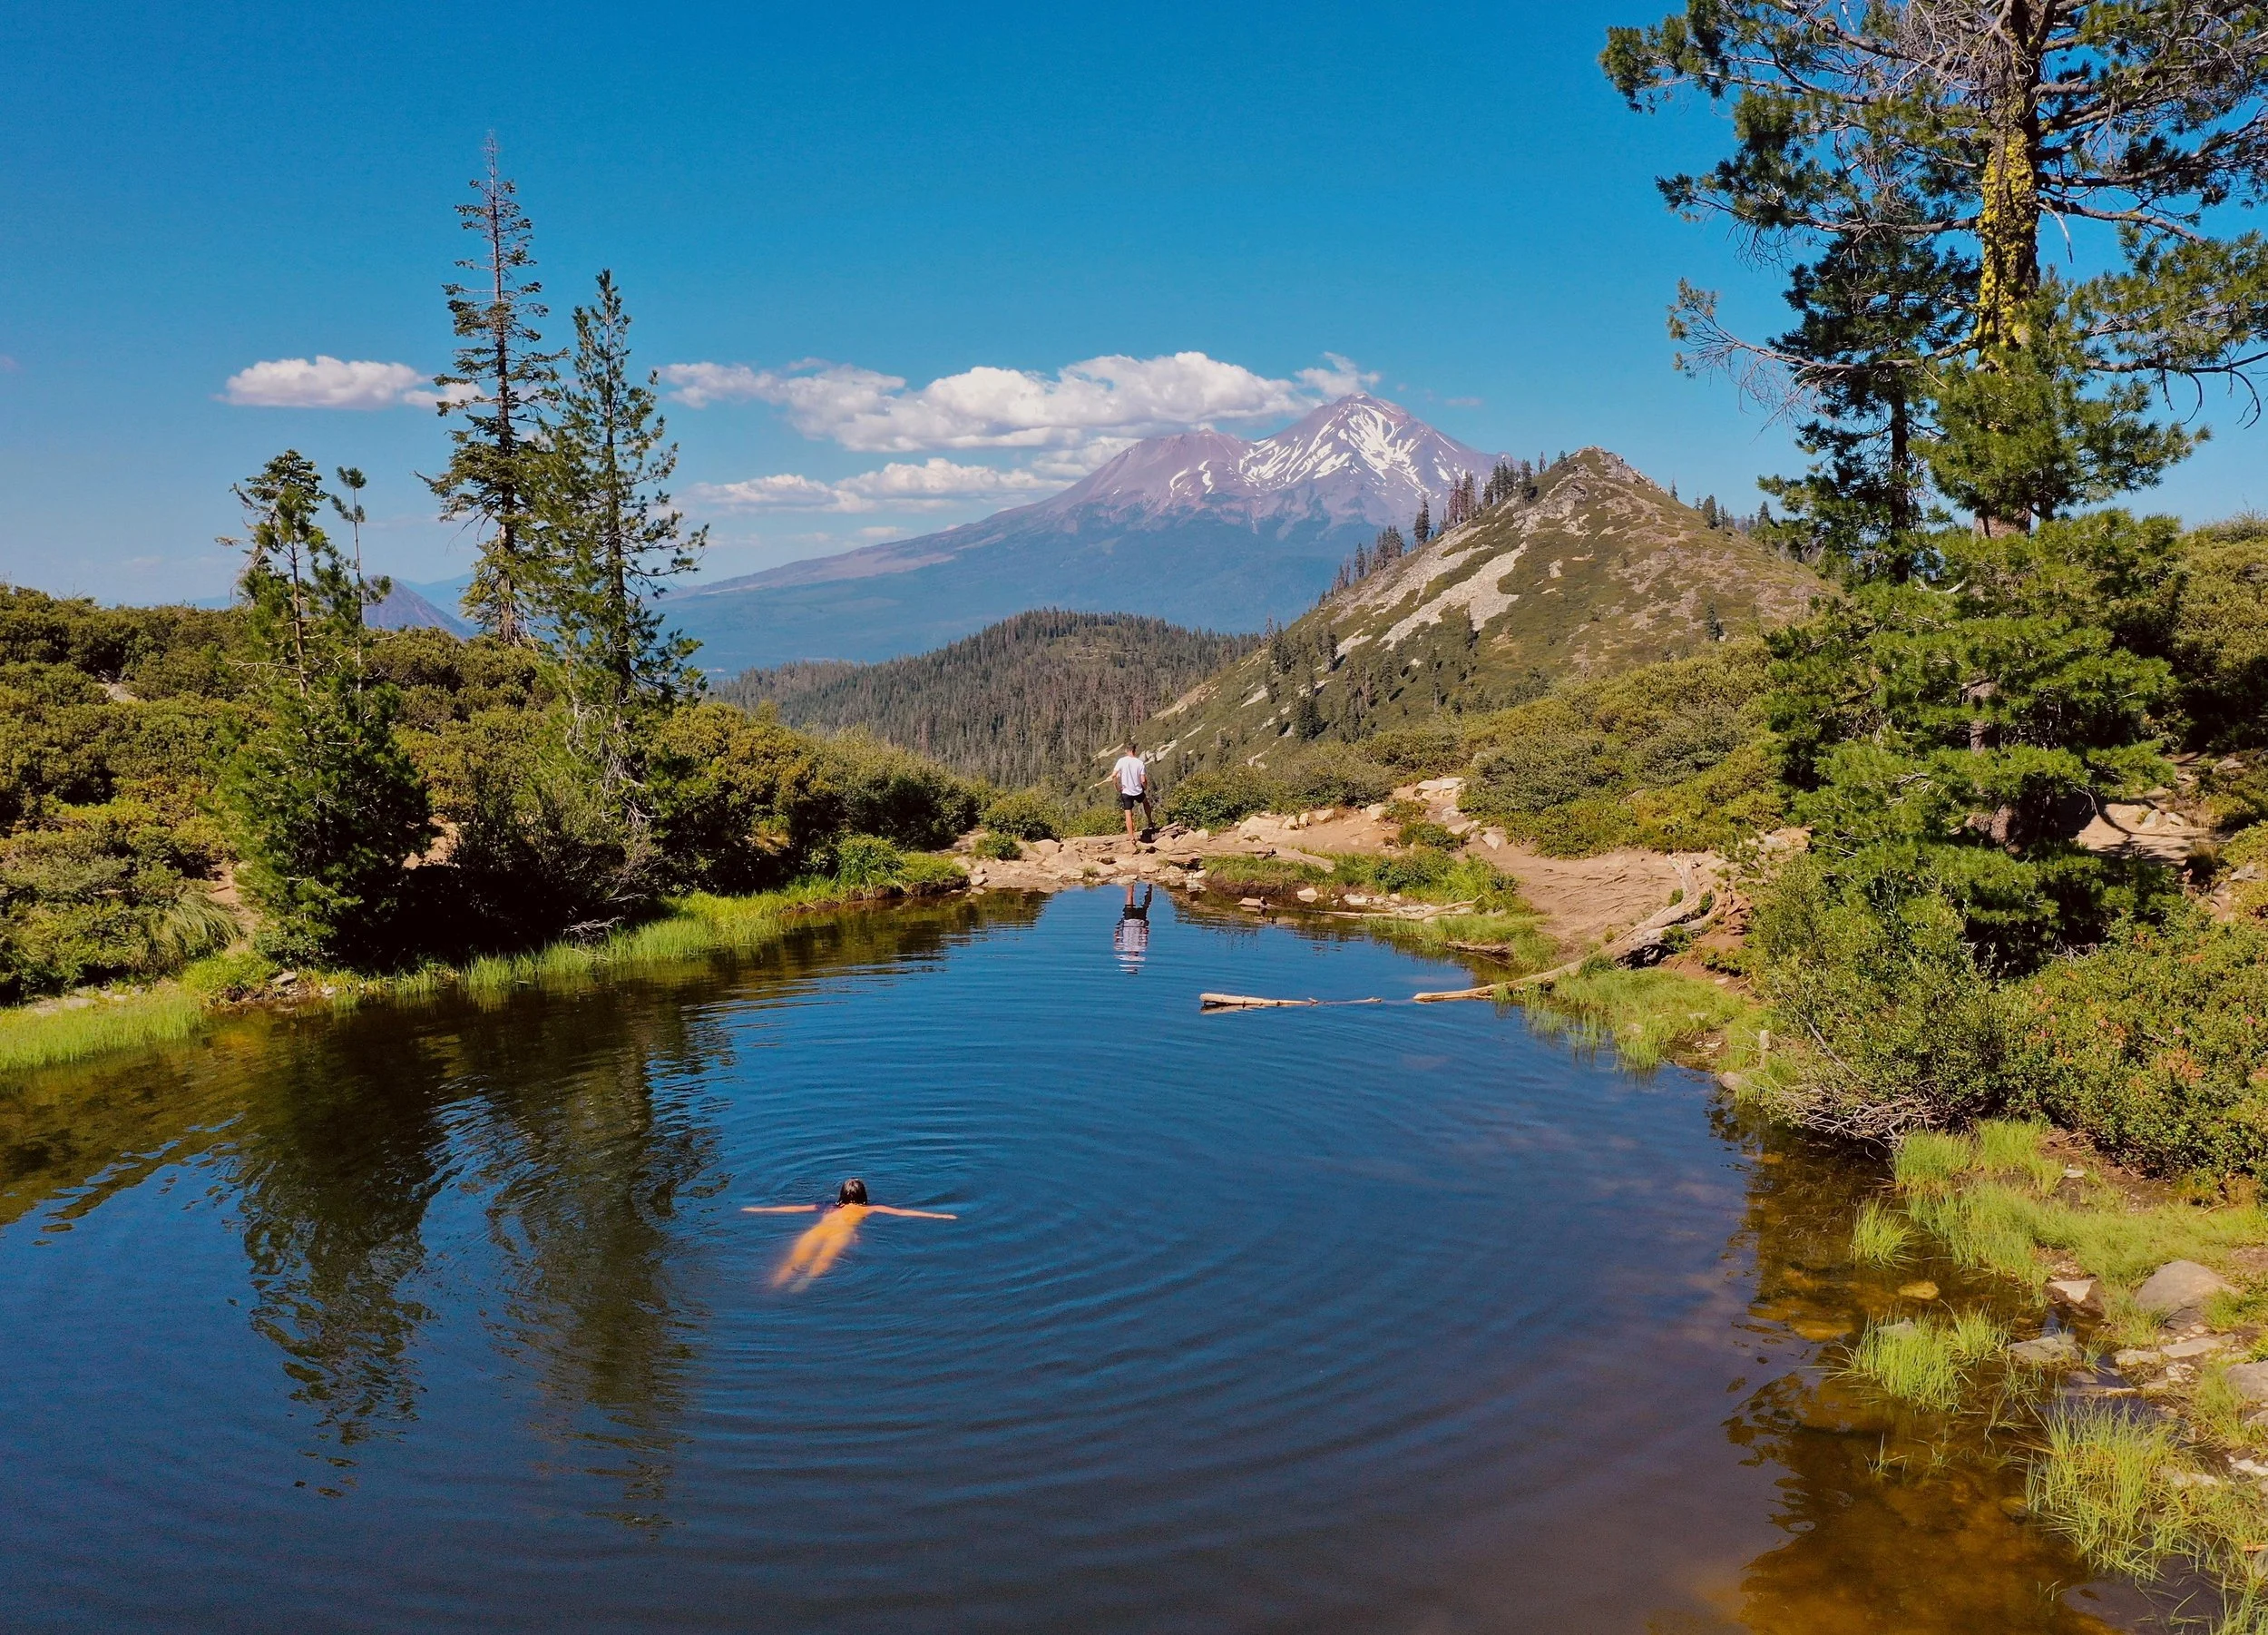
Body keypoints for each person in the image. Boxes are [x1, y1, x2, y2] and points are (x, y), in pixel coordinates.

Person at [744, 1178, 956, 1290]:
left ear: (841, 1195)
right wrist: (940, 1216)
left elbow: (791, 1208)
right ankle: (807, 1280)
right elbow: (904, 1212)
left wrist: (759, 1210)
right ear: (864, 1196)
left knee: (794, 1260)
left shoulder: (827, 1207)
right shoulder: (868, 1209)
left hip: (817, 1231)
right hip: (841, 1234)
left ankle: (773, 1285)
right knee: (824, 1259)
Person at [1104, 739, 1154, 840]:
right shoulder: (1139, 763)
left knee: (1128, 813)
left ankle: (1131, 836)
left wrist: (1117, 787)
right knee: (1145, 802)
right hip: (1137, 790)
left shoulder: (1121, 761)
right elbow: (1143, 780)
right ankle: (1150, 822)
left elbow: (1114, 775)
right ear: (1134, 751)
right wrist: (1145, 787)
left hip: (1126, 791)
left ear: (1127, 751)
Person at [1114, 881, 1152, 969]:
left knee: (1132, 898)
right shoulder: (1139, 948)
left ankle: (1136, 884)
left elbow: (1116, 939)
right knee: (1142, 903)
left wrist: (1117, 930)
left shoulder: (1126, 948)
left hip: (1131, 922)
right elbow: (1145, 935)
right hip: (1135, 923)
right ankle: (1148, 886)